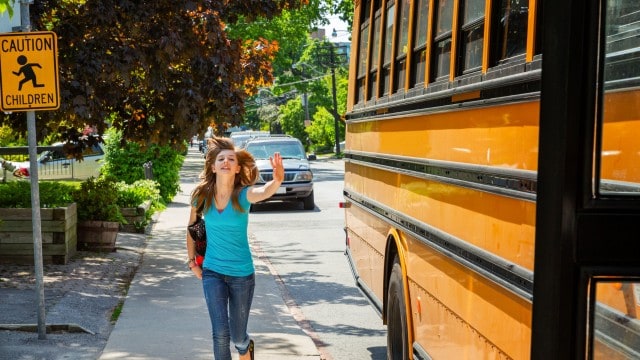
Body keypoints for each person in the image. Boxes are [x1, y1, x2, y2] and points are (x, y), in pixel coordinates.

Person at [186, 137, 284, 360]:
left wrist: (276, 181)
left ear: (238, 167)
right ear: (213, 166)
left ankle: (245, 347)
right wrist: (192, 262)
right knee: (220, 334)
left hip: (241, 274)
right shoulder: (202, 195)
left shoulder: (243, 194)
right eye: (221, 159)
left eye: (231, 159)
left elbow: (262, 193)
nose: (226, 162)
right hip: (212, 272)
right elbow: (191, 228)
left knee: (238, 337)